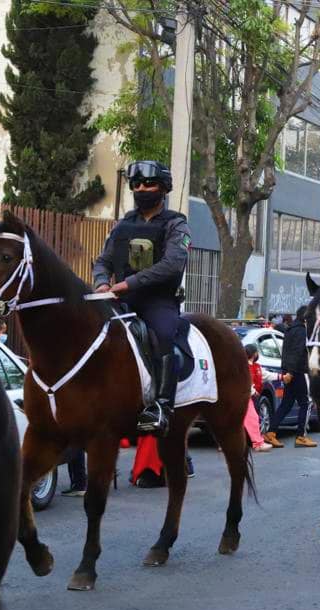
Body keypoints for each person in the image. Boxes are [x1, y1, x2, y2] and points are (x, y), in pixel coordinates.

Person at [92, 160, 190, 435]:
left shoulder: (176, 225)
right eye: (137, 185)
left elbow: (172, 264)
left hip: (158, 301)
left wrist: (127, 284)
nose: (142, 189)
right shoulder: (123, 225)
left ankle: (161, 406)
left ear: (164, 188)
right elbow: (102, 261)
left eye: (149, 184)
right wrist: (101, 283)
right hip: (119, 301)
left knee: (164, 334)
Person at [265, 305, 316, 448]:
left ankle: (271, 433)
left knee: (286, 404)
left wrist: (287, 371)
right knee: (306, 403)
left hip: (289, 370)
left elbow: (288, 353)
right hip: (298, 371)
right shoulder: (302, 332)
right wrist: (292, 372)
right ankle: (301, 435)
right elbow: (299, 353)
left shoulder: (290, 329)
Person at [243, 344, 275, 453]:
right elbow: (246, 381)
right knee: (252, 418)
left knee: (241, 420)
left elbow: (266, 375)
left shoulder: (255, 366)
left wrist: (281, 377)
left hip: (246, 396)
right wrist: (253, 391)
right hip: (245, 396)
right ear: (254, 353)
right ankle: (258, 443)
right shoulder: (246, 366)